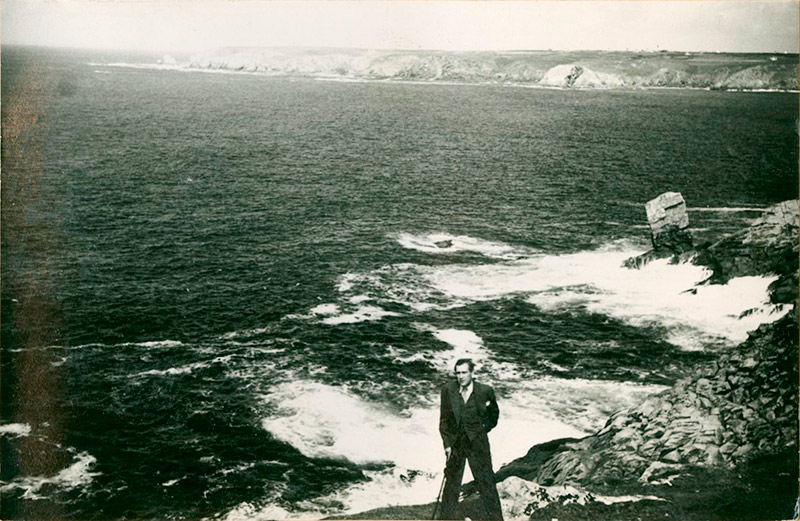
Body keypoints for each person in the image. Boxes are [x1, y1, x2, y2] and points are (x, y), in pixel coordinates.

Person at [438, 358, 504, 521]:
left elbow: (493, 416)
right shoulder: (448, 390)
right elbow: (444, 421)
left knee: (487, 482)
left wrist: (481, 430)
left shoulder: (485, 391)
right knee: (451, 485)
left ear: (472, 373)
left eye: (464, 372)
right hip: (456, 444)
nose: (460, 376)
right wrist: (447, 445)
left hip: (478, 443)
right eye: (457, 373)